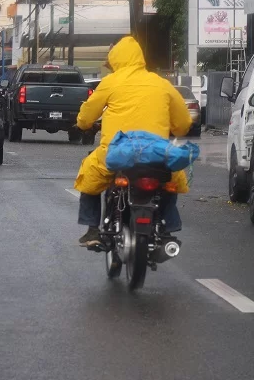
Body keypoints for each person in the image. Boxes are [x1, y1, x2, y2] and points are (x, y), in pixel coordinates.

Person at [74, 35, 193, 248]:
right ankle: (168, 227)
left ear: (115, 60)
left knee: (89, 174)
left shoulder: (111, 82)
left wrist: (83, 124)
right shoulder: (161, 83)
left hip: (118, 151)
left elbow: (86, 116)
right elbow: (183, 123)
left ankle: (92, 229)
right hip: (156, 153)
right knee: (170, 179)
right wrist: (174, 129)